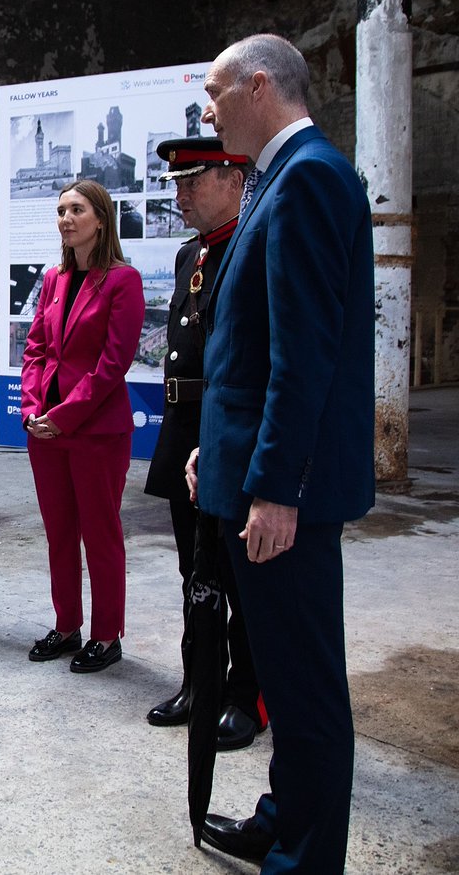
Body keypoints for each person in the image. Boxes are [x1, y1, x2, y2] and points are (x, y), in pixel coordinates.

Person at [188, 34, 375, 872]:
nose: (208, 107)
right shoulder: (277, 179)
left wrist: (272, 487)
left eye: (216, 90)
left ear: (261, 86)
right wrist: (218, 453)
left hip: (282, 491)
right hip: (252, 470)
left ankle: (307, 857)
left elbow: (305, 359)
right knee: (285, 675)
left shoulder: (310, 178)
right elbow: (252, 351)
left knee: (304, 689)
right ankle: (283, 814)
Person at [143, 137, 267, 750]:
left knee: (242, 572)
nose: (181, 196)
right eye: (177, 184)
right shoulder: (192, 252)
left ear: (233, 175)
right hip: (186, 427)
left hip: (231, 431)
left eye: (192, 182)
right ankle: (199, 684)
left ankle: (245, 697)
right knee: (196, 570)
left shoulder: (252, 244)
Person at [20, 179, 144, 673]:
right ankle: (67, 624)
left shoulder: (122, 280)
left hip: (95, 430)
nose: (66, 219)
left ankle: (107, 634)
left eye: (76, 210)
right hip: (46, 430)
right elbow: (35, 349)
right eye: (60, 211)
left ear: (101, 218)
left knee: (100, 533)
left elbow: (113, 364)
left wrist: (63, 414)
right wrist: (32, 410)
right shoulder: (53, 279)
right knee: (58, 533)